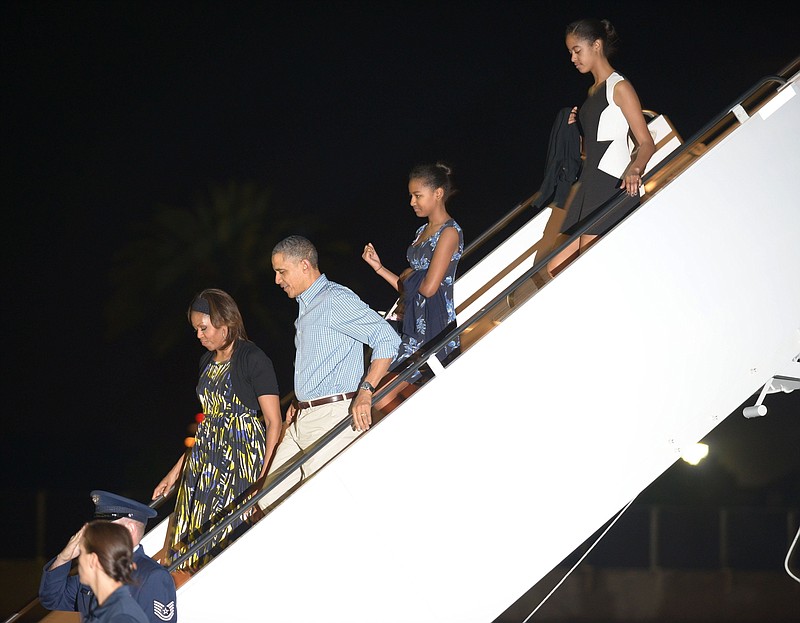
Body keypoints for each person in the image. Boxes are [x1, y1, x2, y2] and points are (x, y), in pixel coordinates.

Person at [256, 235, 401, 512]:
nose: (277, 280)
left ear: (304, 265)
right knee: (268, 499)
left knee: (328, 503)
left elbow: (386, 339)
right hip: (303, 418)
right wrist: (299, 403)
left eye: (281, 271)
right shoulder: (306, 307)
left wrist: (366, 391)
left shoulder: (334, 299)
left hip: (331, 415)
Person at [152, 288, 282, 566]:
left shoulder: (252, 357)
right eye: (196, 329)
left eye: (203, 328)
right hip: (204, 461)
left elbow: (274, 422)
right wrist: (175, 472)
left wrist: (264, 476)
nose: (199, 335)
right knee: (194, 540)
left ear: (225, 322)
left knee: (227, 539)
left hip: (241, 458)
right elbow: (209, 424)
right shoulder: (205, 362)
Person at [546, 18, 656, 277]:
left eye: (576, 50)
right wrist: (575, 134)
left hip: (612, 182)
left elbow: (646, 142)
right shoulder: (592, 91)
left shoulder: (619, 87)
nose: (573, 58)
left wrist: (636, 168)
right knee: (554, 268)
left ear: (596, 45)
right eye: (570, 52)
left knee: (588, 266)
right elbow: (594, 147)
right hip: (591, 183)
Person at [362, 162, 464, 364]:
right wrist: (379, 268)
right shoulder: (421, 232)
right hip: (414, 318)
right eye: (411, 196)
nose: (412, 202)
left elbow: (428, 288)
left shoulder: (449, 232)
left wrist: (409, 273)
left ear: (438, 193)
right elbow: (408, 288)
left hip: (434, 322)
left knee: (388, 387)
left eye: (417, 196)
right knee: (388, 385)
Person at [39, 490, 177, 623]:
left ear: (130, 529)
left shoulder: (152, 576)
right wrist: (64, 558)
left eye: (106, 527)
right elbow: (52, 599)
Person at [75, 520, 150, 623]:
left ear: (93, 560)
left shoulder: (122, 617)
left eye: (81, 552)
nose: (78, 559)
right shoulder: (102, 605)